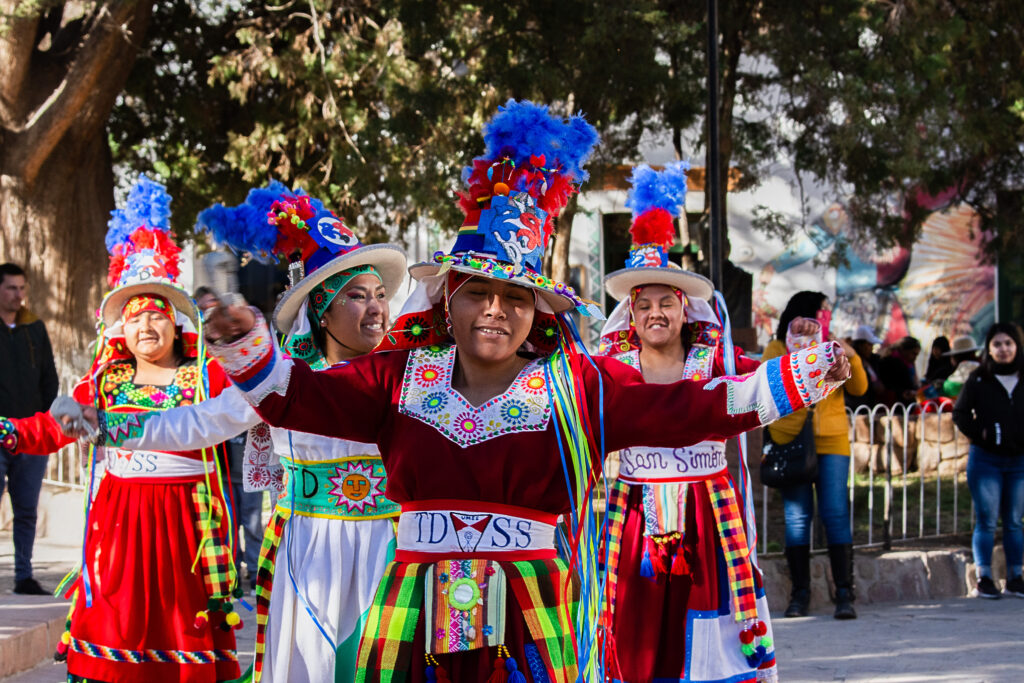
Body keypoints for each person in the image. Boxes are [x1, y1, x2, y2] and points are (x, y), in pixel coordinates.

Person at [202, 101, 851, 682]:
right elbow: (300, 396)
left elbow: (695, 408)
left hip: (532, 612)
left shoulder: (576, 385)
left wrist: (803, 373)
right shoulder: (397, 376)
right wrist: (246, 345)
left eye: (514, 296)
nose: (494, 310)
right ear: (448, 300)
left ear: (538, 312)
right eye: (478, 292)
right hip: (408, 605)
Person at [70, 184, 409, 683]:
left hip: (388, 541)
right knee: (307, 666)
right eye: (356, 296)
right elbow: (198, 422)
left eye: (381, 295)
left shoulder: (409, 376)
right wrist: (105, 424)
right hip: (306, 545)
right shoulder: (287, 377)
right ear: (320, 311)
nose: (376, 308)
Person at [0, 177, 241, 682]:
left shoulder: (207, 375)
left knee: (180, 630)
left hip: (186, 528)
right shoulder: (105, 380)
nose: (146, 326)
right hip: (118, 527)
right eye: (134, 319)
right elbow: (54, 429)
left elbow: (246, 407)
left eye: (157, 315)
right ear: (119, 331)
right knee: (116, 623)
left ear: (179, 324)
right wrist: (11, 432)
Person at [596, 163, 777, 682]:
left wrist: (806, 354)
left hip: (708, 520)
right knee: (635, 638)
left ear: (684, 309)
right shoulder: (609, 371)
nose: (655, 313)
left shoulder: (719, 365)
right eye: (644, 304)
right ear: (630, 315)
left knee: (708, 637)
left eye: (666, 303)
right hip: (633, 527)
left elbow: (767, 386)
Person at [763, 291, 867, 620]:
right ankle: (800, 595)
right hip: (792, 438)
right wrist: (802, 354)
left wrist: (849, 354)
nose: (825, 317)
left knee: (835, 513)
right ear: (803, 314)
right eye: (821, 311)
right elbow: (771, 385)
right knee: (797, 519)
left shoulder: (835, 347)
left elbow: (860, 388)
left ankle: (845, 594)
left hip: (832, 440)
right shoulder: (777, 348)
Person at [952, 322, 1024, 599]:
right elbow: (959, 413)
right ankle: (984, 576)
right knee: (987, 519)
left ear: (1016, 346)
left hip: (1018, 460)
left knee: (1015, 521)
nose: (1003, 349)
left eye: (1008, 343)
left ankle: (1016, 576)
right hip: (986, 461)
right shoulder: (979, 378)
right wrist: (980, 434)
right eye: (997, 344)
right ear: (989, 349)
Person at [0, 262, 58, 595]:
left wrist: (45, 419)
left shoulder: (34, 327)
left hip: (30, 435)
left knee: (26, 509)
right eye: (11, 288)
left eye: (22, 288)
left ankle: (24, 574)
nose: (18, 295)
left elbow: (49, 376)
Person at [845, 324, 884, 411]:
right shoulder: (850, 362)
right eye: (869, 344)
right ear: (860, 344)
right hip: (855, 409)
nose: (871, 348)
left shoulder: (873, 361)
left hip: (869, 408)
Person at [878, 336, 921, 405]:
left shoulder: (908, 363)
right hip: (893, 405)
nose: (915, 358)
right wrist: (903, 393)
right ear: (904, 350)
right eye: (914, 353)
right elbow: (889, 385)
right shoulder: (890, 362)